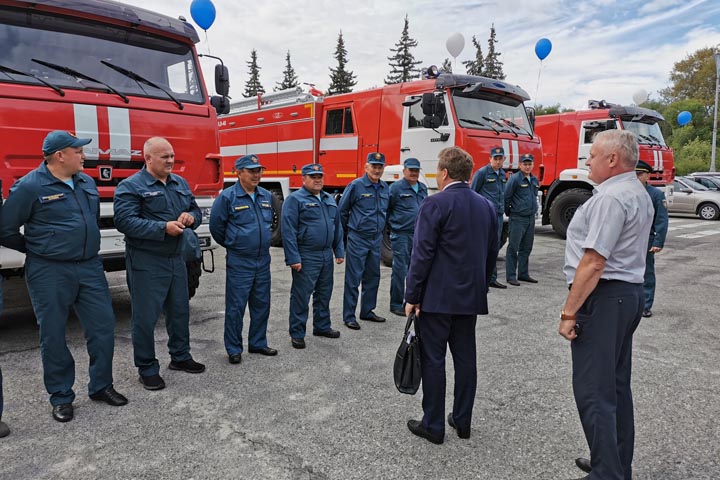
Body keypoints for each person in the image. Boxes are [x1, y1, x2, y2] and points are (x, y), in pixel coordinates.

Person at [0, 130, 127, 422]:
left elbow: (90, 219)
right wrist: (37, 249)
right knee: (53, 333)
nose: (84, 155)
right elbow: (5, 229)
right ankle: (61, 396)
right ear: (60, 155)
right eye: (78, 151)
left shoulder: (86, 182)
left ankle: (101, 386)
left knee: (103, 326)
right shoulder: (29, 187)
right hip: (49, 270)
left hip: (89, 266)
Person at [558, 130, 653, 480]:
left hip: (605, 296)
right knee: (614, 386)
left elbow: (594, 261)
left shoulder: (611, 198)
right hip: (625, 294)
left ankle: (607, 473)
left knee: (594, 390)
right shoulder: (636, 191)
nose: (587, 161)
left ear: (613, 159)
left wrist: (569, 312)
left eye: (593, 154)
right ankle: (612, 461)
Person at [404, 146, 498, 445]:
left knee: (433, 359)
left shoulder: (435, 204)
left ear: (443, 173)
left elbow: (422, 255)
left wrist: (412, 294)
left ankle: (433, 424)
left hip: (437, 299)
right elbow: (491, 253)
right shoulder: (486, 205)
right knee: (466, 358)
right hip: (469, 298)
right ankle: (462, 419)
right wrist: (480, 287)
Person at [114, 137, 205, 390]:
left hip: (176, 259)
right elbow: (125, 222)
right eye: (164, 156)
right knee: (145, 317)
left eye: (172, 155)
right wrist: (162, 228)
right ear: (148, 159)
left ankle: (181, 357)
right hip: (147, 260)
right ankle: (147, 368)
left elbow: (196, 210)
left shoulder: (180, 183)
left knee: (179, 311)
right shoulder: (131, 187)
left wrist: (191, 217)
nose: (170, 161)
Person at [210, 154, 277, 363]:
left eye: (259, 170)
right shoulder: (228, 197)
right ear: (238, 172)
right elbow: (216, 228)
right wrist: (235, 243)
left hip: (262, 259)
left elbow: (272, 224)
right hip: (240, 260)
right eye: (251, 171)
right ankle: (233, 348)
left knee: (261, 304)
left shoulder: (266, 196)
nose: (257, 175)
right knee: (236, 307)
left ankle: (258, 343)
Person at [281, 164, 344, 349]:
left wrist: (338, 251)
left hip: (325, 254)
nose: (318, 180)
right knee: (301, 295)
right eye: (313, 176)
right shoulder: (295, 200)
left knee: (324, 293)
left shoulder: (329, 199)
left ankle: (322, 326)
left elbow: (337, 226)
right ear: (303, 179)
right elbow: (288, 231)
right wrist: (293, 258)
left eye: (320, 176)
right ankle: (297, 333)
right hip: (307, 254)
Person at [338, 152, 389, 330]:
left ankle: (367, 311)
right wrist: (344, 237)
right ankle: (349, 315)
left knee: (373, 276)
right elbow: (342, 211)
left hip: (376, 239)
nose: (376, 170)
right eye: (373, 166)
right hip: (358, 238)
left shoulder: (384, 187)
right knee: (354, 278)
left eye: (380, 166)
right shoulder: (356, 186)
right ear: (366, 167)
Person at [387, 158, 427, 316]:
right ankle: (396, 304)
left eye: (417, 170)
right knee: (400, 269)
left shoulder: (422, 188)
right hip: (401, 234)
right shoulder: (396, 188)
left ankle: (410, 301)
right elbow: (387, 209)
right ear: (404, 171)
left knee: (415, 270)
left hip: (418, 235)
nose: (414, 173)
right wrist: (394, 226)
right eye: (411, 170)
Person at [635, 160, 669, 318]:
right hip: (628, 239)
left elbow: (661, 220)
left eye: (639, 174)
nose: (636, 177)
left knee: (646, 273)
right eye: (633, 174)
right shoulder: (628, 192)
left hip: (646, 239)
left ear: (647, 175)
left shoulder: (656, 194)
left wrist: (658, 242)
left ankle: (646, 305)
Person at [471, 146, 507, 289]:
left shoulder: (502, 174)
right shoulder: (482, 173)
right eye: (495, 159)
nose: (498, 162)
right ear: (490, 159)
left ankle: (491, 278)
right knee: (483, 245)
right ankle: (478, 278)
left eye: (500, 159)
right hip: (485, 214)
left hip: (497, 215)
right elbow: (473, 192)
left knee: (494, 246)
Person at [504, 153, 539, 286]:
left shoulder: (534, 180)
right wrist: (510, 212)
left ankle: (523, 274)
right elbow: (507, 196)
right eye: (525, 164)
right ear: (519, 165)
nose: (527, 166)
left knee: (526, 247)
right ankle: (511, 276)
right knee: (513, 247)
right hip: (518, 218)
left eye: (529, 164)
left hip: (530, 219)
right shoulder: (515, 179)